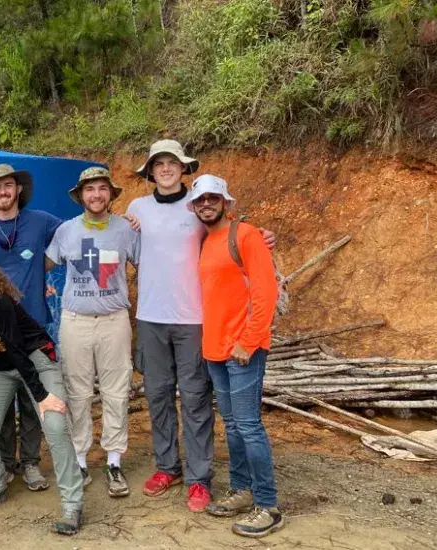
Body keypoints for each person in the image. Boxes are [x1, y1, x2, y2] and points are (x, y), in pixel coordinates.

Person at [124, 140, 276, 512]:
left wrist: (264, 236)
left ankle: (199, 478)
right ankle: (167, 467)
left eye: (172, 162)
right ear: (150, 171)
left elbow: (230, 234)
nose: (165, 168)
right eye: (158, 163)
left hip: (194, 320)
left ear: (183, 167)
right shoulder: (136, 208)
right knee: (158, 397)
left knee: (195, 401)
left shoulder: (198, 207)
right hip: (150, 317)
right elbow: (122, 246)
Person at [0, 247, 85, 535]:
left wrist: (42, 395)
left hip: (33, 360)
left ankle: (72, 503)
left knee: (56, 424)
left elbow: (16, 349)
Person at [188, 175, 282, 537]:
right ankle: (242, 491)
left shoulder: (245, 235)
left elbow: (265, 291)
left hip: (242, 350)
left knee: (249, 426)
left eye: (213, 198)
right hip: (215, 350)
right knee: (233, 425)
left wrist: (250, 339)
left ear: (226, 202)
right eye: (200, 200)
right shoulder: (206, 240)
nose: (206, 204)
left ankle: (268, 505)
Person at [44, 167, 139, 498]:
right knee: (77, 392)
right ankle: (81, 459)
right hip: (75, 321)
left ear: (110, 194)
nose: (96, 195)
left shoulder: (127, 229)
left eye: (102, 189)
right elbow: (41, 265)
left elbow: (150, 261)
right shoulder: (66, 231)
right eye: (90, 189)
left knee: (116, 390)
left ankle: (114, 461)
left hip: (114, 320)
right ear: (80, 195)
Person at [0, 164, 55, 492]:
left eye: (8, 185)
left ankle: (31, 463)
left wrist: (45, 271)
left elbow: (77, 234)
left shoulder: (43, 221)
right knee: (1, 401)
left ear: (18, 189)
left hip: (33, 324)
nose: (3, 192)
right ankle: (6, 462)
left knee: (34, 396)